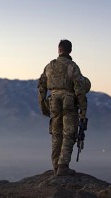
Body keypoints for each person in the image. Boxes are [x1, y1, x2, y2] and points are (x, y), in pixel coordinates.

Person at [37, 39, 90, 176]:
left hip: (53, 101)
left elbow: (41, 86)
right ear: (70, 50)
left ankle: (56, 166)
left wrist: (43, 105)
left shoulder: (49, 66)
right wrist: (83, 110)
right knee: (69, 133)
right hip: (68, 102)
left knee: (56, 133)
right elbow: (79, 89)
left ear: (58, 49)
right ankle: (63, 166)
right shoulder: (72, 66)